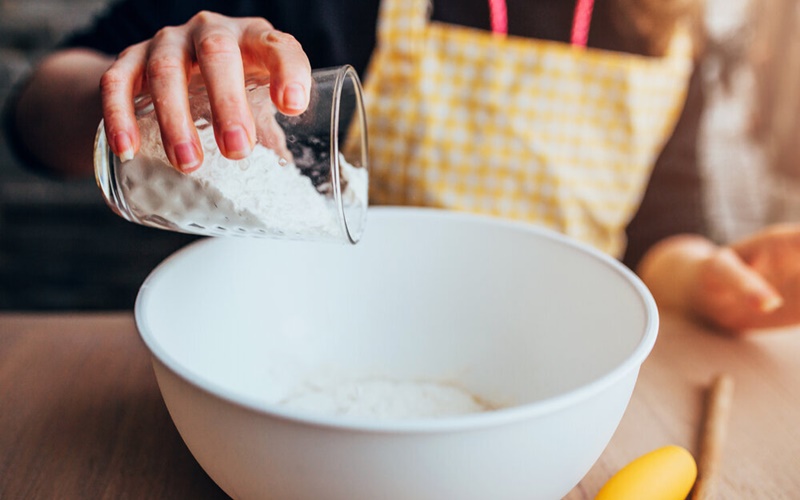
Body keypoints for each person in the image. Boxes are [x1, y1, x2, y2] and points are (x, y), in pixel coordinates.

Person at [5, 0, 800, 332]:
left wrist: (714, 278)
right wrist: (126, 97)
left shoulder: (666, 27)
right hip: (320, 333)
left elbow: (664, 226)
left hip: (552, 351)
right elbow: (37, 115)